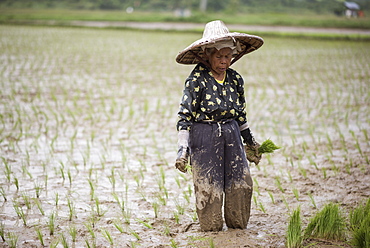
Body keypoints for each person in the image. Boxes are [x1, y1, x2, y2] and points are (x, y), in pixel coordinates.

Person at [174, 20, 264, 232]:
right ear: (207, 55)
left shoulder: (235, 79)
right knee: (208, 187)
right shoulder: (197, 79)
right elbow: (184, 117)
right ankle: (211, 229)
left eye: (228, 56)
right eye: (219, 56)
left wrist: (250, 142)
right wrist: (182, 151)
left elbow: (241, 115)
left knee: (241, 183)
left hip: (232, 133)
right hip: (204, 136)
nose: (224, 61)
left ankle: (237, 227)